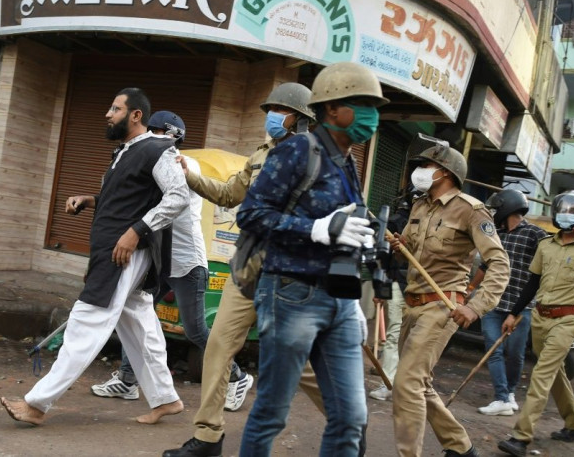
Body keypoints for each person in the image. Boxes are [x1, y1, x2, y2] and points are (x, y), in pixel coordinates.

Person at [0, 88, 186, 425]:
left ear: (135, 115)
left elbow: (178, 198)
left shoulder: (159, 150)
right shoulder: (125, 152)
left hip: (123, 253)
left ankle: (37, 404)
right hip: (111, 250)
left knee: (86, 321)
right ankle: (165, 399)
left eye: (115, 109)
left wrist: (136, 232)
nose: (107, 114)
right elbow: (127, 200)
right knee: (140, 326)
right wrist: (90, 200)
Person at [236, 61, 388, 457]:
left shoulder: (348, 161)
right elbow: (250, 213)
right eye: (362, 103)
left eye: (374, 105)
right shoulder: (299, 150)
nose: (371, 114)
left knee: (351, 417)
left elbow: (343, 229)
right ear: (332, 108)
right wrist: (316, 229)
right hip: (291, 295)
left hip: (339, 298)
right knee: (272, 412)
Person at [163, 82, 320, 457]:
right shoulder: (260, 154)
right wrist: (189, 174)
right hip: (247, 268)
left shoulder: (315, 158)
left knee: (302, 363)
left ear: (297, 118)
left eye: (279, 109)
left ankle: (347, 422)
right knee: (217, 347)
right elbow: (228, 194)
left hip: (287, 272)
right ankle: (207, 437)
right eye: (271, 109)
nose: (271, 116)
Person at [390, 143, 510, 457]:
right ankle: (461, 448)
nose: (419, 171)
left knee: (406, 383)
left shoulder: (471, 209)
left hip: (442, 306)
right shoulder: (419, 206)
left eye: (425, 165)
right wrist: (398, 245)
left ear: (445, 172)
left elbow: (499, 263)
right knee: (418, 384)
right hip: (412, 304)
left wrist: (475, 306)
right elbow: (410, 251)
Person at [91, 110, 212, 401]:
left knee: (195, 331)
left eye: (154, 133)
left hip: (186, 262)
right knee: (133, 312)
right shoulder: (152, 159)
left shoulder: (181, 162)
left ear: (170, 137)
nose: (147, 138)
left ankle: (236, 376)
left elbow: (169, 198)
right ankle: (127, 380)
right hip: (161, 260)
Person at [497, 190, 574, 457]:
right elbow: (532, 284)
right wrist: (513, 313)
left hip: (567, 320)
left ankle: (521, 437)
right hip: (540, 318)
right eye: (564, 209)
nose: (568, 214)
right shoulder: (546, 245)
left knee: (541, 375)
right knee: (554, 374)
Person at [467, 189, 547, 416]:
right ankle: (501, 397)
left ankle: (510, 393)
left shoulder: (535, 235)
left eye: (496, 208)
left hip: (521, 308)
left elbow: (546, 266)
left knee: (515, 353)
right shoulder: (496, 235)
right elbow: (484, 266)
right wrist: (471, 288)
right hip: (492, 304)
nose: (493, 213)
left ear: (508, 207)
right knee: (493, 350)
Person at [369, 186, 414, 402]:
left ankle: (395, 383)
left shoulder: (424, 222)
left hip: (412, 286)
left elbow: (380, 260)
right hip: (404, 285)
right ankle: (389, 382)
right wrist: (381, 290)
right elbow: (382, 256)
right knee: (398, 334)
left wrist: (380, 289)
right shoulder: (395, 222)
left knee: (397, 335)